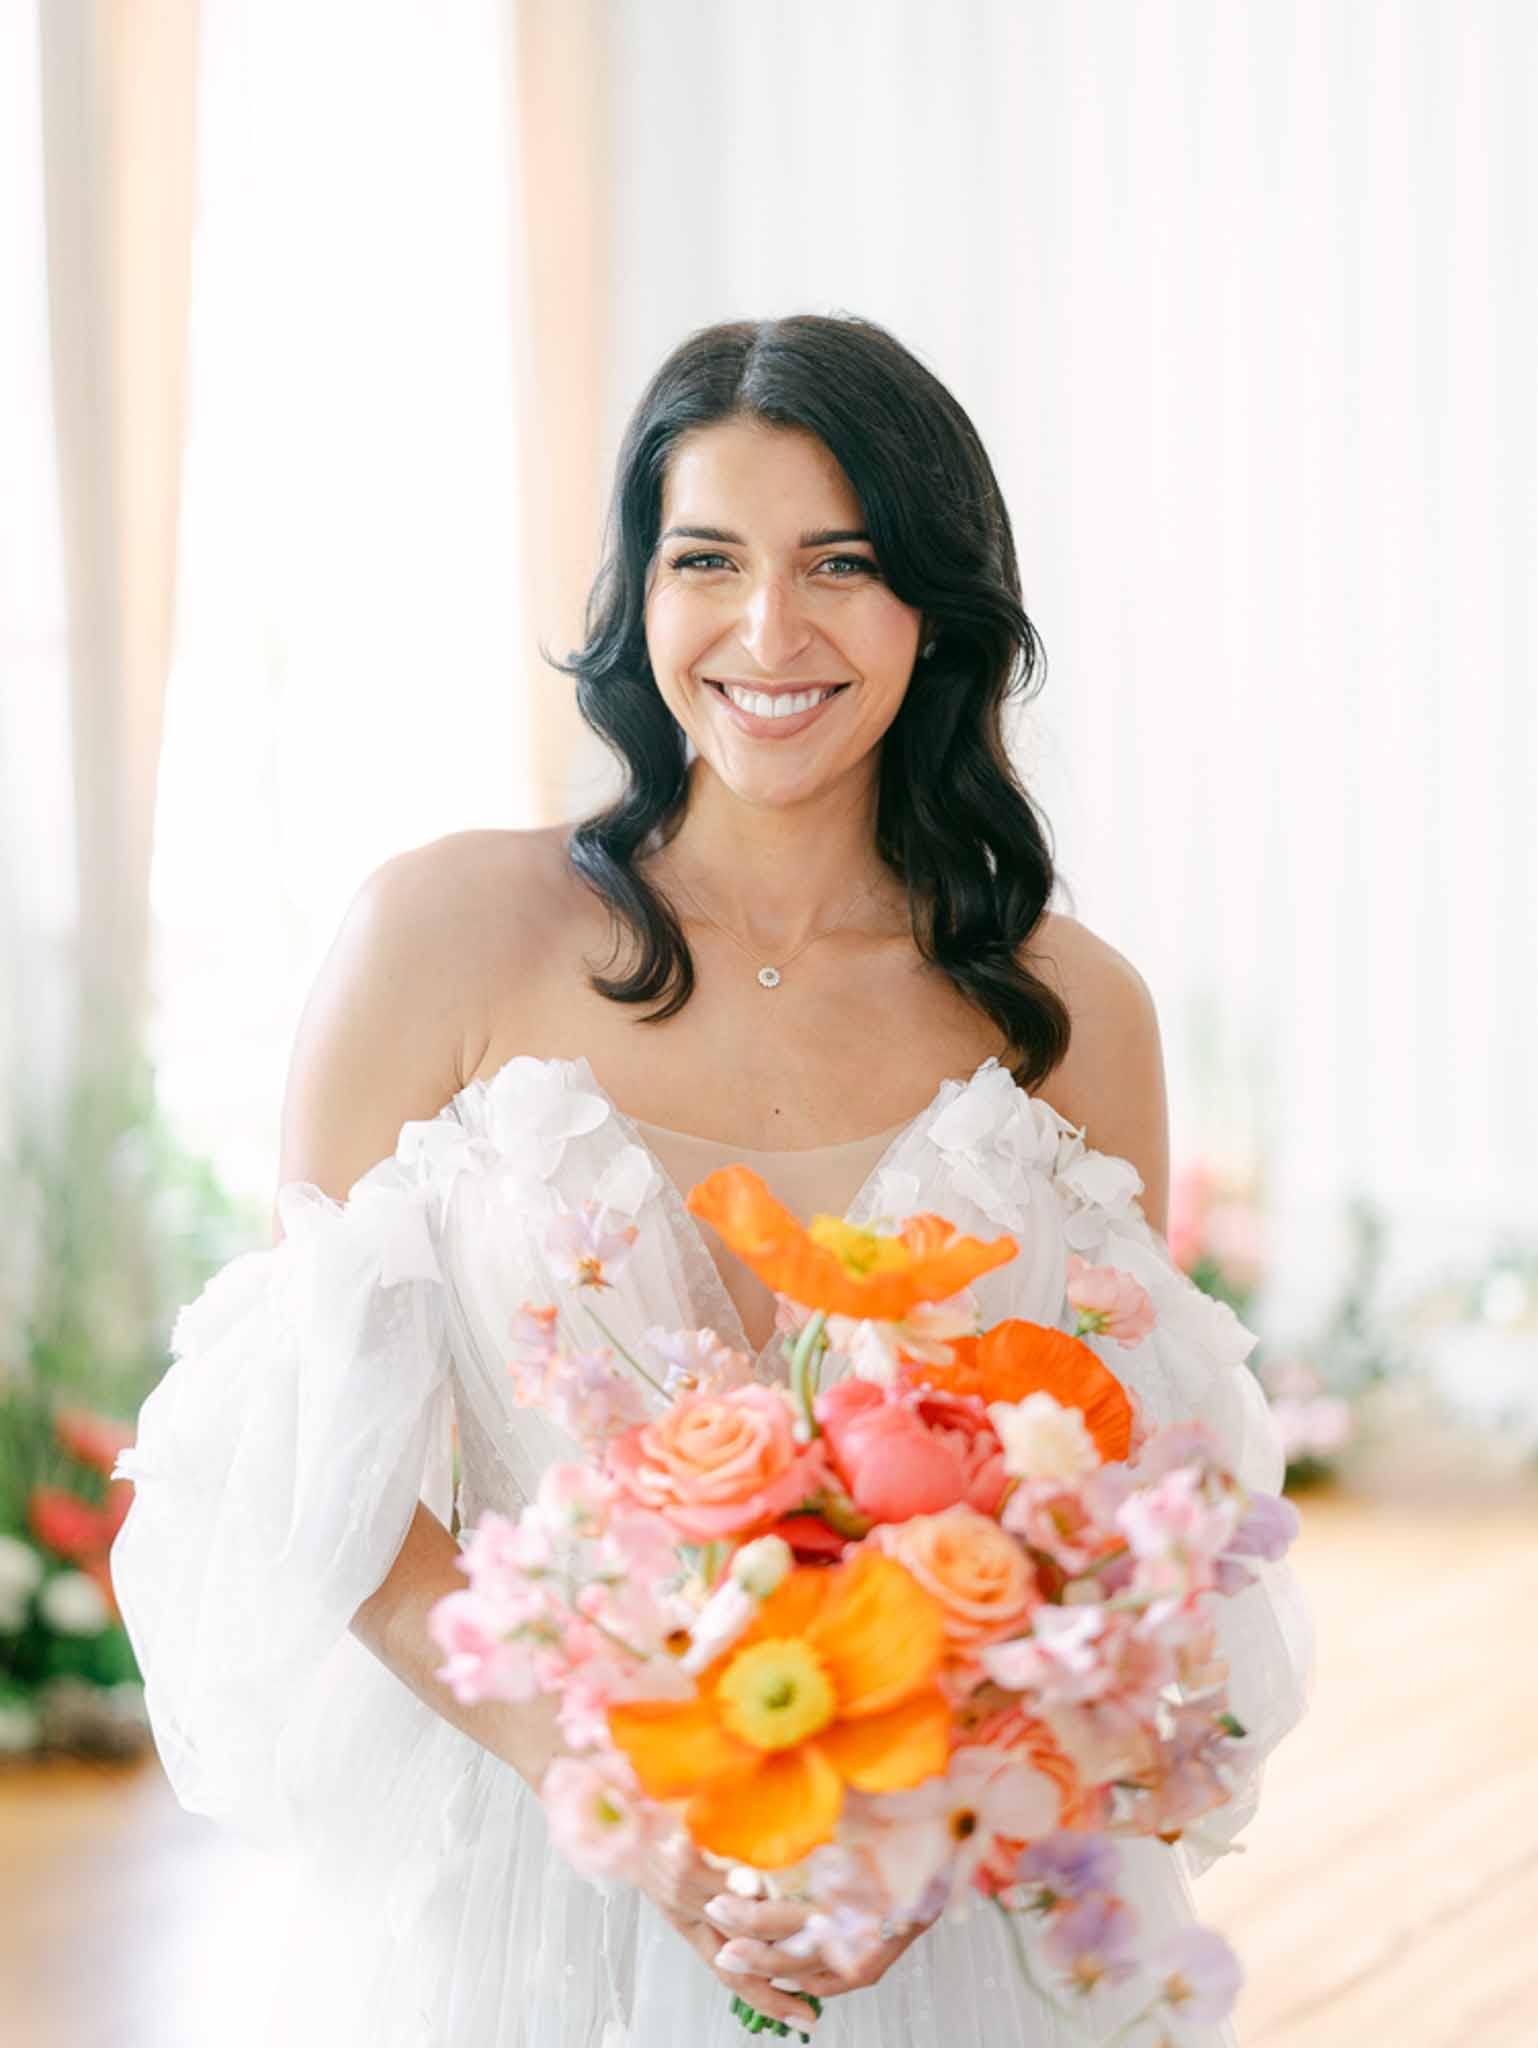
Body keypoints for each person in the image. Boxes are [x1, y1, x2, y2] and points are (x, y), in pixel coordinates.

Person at [110, 314, 1313, 2047]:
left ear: (939, 609)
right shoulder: (444, 936)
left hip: (931, 1913)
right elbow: (320, 1467)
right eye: (707, 561)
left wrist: (922, 1825)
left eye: (844, 564)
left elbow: (1110, 1519)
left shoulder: (1067, 1010)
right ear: (637, 597)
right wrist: (616, 1786)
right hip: (531, 1890)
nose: (769, 630)